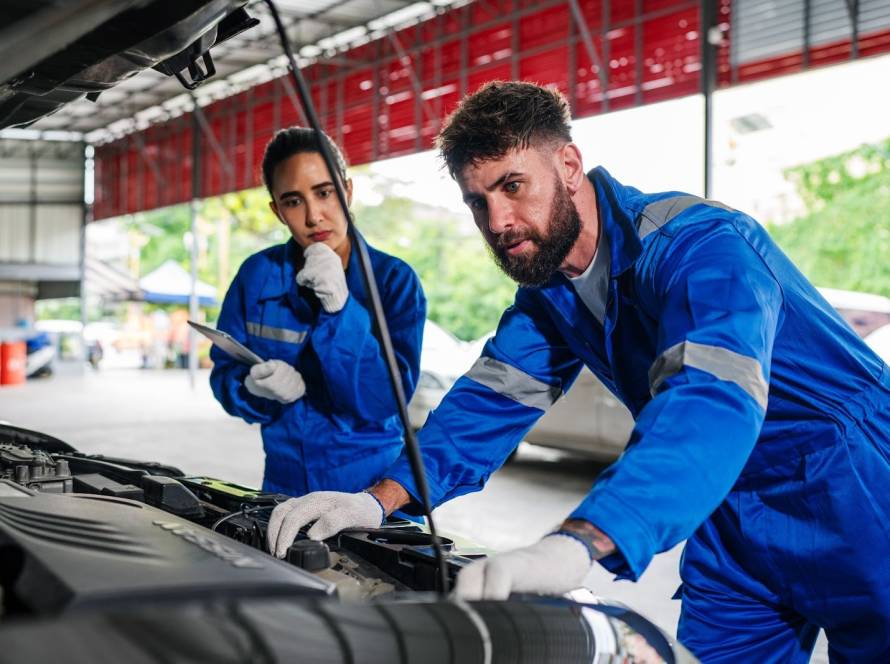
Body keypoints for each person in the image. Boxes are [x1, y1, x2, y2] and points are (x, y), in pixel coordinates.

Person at [265, 83, 890, 661]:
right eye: (478, 201)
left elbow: (710, 400)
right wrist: (377, 502)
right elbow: (486, 404)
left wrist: (581, 541)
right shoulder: (551, 295)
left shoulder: (703, 247)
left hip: (856, 489)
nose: (498, 222)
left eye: (513, 186)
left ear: (568, 165)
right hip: (726, 512)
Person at [210, 128, 426, 500]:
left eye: (325, 193)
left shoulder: (394, 282)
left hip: (371, 492)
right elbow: (224, 375)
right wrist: (251, 388)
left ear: (348, 191)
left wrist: (341, 310)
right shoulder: (257, 276)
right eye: (294, 201)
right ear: (278, 211)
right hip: (283, 487)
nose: (314, 216)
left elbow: (385, 401)